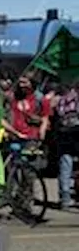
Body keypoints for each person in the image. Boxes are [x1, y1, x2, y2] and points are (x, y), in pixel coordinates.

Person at [54, 78, 79, 210]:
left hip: (65, 135)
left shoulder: (63, 99)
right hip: (77, 134)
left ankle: (65, 198)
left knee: (66, 164)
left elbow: (59, 114)